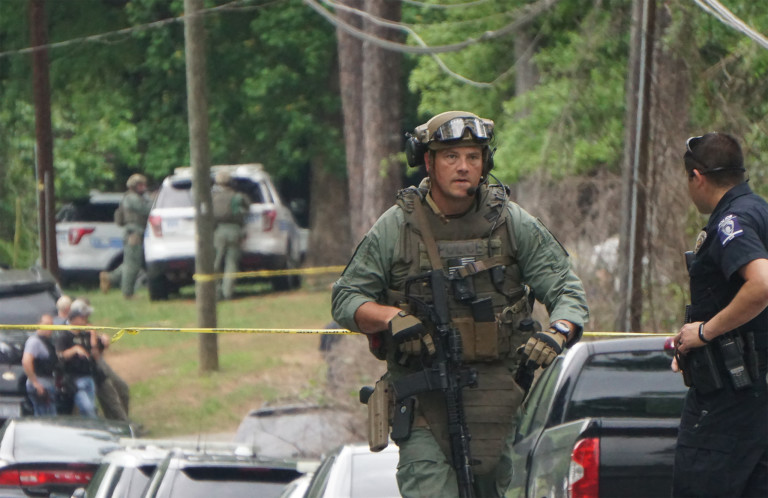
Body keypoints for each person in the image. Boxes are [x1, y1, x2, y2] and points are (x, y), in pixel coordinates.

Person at [331, 111, 589, 497]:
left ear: (487, 162)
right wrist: (392, 318)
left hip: (497, 397)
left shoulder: (511, 223)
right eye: (451, 157)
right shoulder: (397, 226)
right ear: (428, 161)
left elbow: (566, 289)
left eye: (474, 156)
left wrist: (559, 332)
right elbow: (346, 298)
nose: (464, 167)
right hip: (423, 396)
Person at [671, 132, 768, 497]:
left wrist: (706, 333)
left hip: (729, 400)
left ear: (697, 176)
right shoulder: (761, 211)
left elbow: (761, 285)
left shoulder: (733, 221)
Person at [100, 173, 152, 298]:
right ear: (134, 186)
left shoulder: (134, 197)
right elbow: (146, 209)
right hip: (134, 234)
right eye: (140, 185)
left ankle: (109, 278)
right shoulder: (132, 198)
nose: (143, 187)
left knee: (132, 262)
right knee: (132, 265)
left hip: (136, 233)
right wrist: (154, 200)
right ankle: (128, 293)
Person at [55, 298, 99, 417]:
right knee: (88, 409)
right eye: (83, 317)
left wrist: (94, 340)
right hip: (74, 380)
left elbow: (95, 357)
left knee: (92, 408)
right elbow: (59, 355)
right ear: (74, 318)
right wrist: (74, 350)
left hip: (89, 377)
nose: (86, 319)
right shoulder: (64, 335)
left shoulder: (86, 333)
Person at [211, 170, 249, 300]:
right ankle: (227, 293)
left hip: (218, 231)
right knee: (231, 262)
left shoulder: (212, 197)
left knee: (215, 263)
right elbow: (247, 205)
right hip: (235, 231)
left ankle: (215, 292)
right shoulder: (238, 196)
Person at [22, 314, 59, 415]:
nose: (49, 328)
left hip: (48, 384)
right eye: (46, 324)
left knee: (49, 418)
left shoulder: (47, 342)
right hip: (40, 385)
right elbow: (26, 362)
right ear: (39, 324)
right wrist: (35, 383)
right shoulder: (34, 342)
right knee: (44, 419)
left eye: (51, 325)